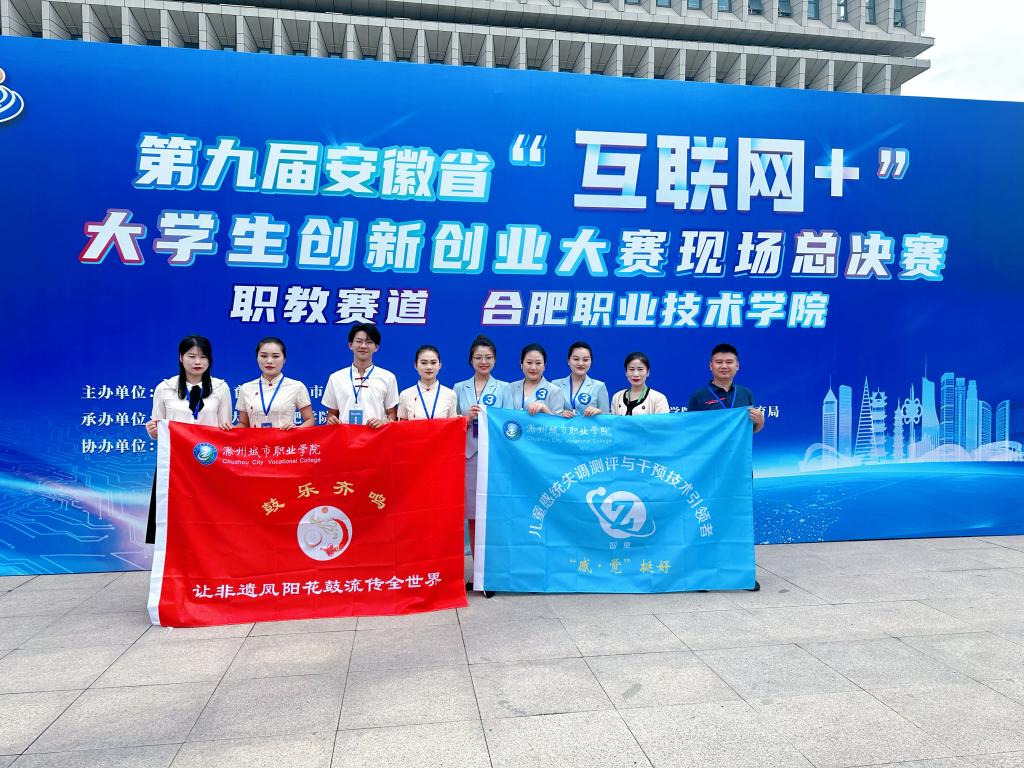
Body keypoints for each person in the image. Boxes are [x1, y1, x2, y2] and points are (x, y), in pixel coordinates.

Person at [144, 334, 233, 544]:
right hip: (175, 465)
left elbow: (225, 427)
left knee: (208, 517)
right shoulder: (164, 388)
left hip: (208, 463)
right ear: (180, 357)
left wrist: (227, 430)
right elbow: (157, 427)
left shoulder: (220, 388)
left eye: (203, 357)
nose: (197, 362)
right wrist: (153, 431)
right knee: (174, 518)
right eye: (192, 356)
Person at [454, 335, 512, 595]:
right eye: (478, 357)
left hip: (494, 459)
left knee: (493, 516)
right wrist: (466, 419)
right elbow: (451, 421)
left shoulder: (505, 388)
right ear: (471, 360)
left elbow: (511, 424)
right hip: (468, 456)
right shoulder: (459, 388)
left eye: (488, 357)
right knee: (473, 516)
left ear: (495, 360)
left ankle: (492, 573)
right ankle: (478, 574)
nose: (483, 361)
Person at [322, 323, 399, 428]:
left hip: (376, 435)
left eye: (369, 342)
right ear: (350, 345)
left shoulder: (388, 377)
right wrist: (331, 420)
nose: (363, 346)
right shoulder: (336, 378)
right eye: (359, 341)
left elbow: (392, 413)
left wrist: (383, 423)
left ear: (376, 347)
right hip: (345, 436)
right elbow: (332, 412)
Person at [236, 337, 314, 429]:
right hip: (255, 438)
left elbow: (310, 420)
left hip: (285, 438)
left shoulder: (296, 386)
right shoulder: (246, 388)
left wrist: (296, 430)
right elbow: (243, 424)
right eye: (264, 356)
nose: (269, 361)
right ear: (257, 358)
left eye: (275, 356)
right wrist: (229, 429)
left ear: (284, 359)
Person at [686, 343, 765, 432]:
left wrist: (760, 422)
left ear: (737, 366)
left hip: (739, 442)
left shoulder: (745, 393)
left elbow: (750, 430)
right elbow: (691, 429)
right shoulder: (699, 395)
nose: (724, 366)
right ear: (711, 366)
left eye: (729, 362)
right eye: (719, 362)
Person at [398, 345, 458, 420]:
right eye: (424, 363)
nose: (429, 367)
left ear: (440, 365)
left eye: (433, 363)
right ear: (415, 365)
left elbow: (453, 424)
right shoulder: (405, 395)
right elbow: (402, 425)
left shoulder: (450, 394)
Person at [551, 341, 610, 418]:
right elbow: (548, 415)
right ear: (568, 361)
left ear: (591, 362)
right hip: (562, 426)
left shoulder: (599, 386)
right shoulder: (555, 384)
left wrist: (599, 412)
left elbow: (606, 419)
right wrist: (559, 413)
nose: (581, 363)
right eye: (576, 359)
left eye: (585, 360)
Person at [510, 343, 565, 415]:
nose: (533, 367)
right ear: (521, 364)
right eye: (529, 362)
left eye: (538, 363)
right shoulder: (511, 387)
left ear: (544, 366)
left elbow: (558, 421)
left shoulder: (554, 391)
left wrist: (544, 409)